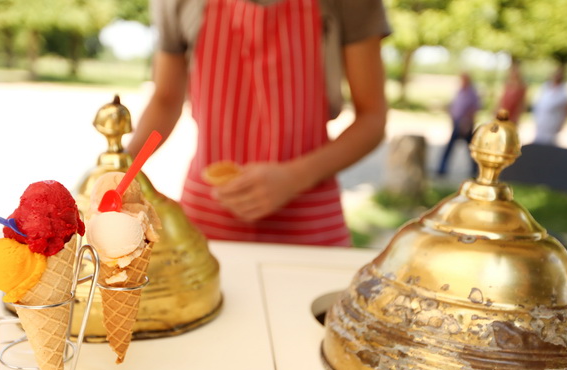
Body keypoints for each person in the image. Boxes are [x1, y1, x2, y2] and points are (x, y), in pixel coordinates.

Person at [126, 0, 390, 247]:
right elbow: (166, 101)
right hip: (208, 220)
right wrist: (122, 169)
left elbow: (372, 118)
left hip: (309, 222)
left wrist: (293, 177)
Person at [436, 72, 480, 177]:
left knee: (470, 147)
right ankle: (442, 168)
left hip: (465, 123)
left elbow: (473, 110)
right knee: (455, 147)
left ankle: (475, 170)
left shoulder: (471, 93)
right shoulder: (460, 91)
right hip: (456, 122)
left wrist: (467, 123)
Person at [532, 65, 567, 146]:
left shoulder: (564, 90)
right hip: (542, 120)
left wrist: (563, 122)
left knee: (549, 143)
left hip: (553, 122)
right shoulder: (545, 86)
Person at [496, 59, 527, 125]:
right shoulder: (506, 84)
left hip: (513, 113)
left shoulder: (522, 86)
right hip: (503, 110)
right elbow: (501, 99)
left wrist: (517, 115)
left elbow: (522, 102)